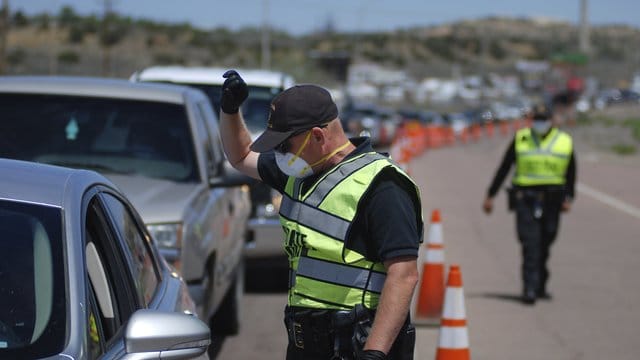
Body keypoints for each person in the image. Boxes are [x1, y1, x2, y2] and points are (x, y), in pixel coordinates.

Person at [218, 70, 423, 360]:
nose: (279, 154)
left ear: (317, 136)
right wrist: (230, 110)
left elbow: (403, 275)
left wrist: (374, 353)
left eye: (283, 145)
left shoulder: (382, 185)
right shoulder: (298, 173)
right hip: (308, 342)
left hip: (358, 344)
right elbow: (240, 156)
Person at [482, 104, 576, 305]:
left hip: (553, 199)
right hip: (525, 198)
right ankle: (529, 288)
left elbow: (571, 173)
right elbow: (505, 167)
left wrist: (569, 198)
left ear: (550, 120)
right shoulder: (521, 138)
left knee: (546, 241)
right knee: (530, 242)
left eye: (543, 118)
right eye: (537, 118)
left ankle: (540, 282)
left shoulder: (564, 141)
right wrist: (491, 195)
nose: (539, 122)